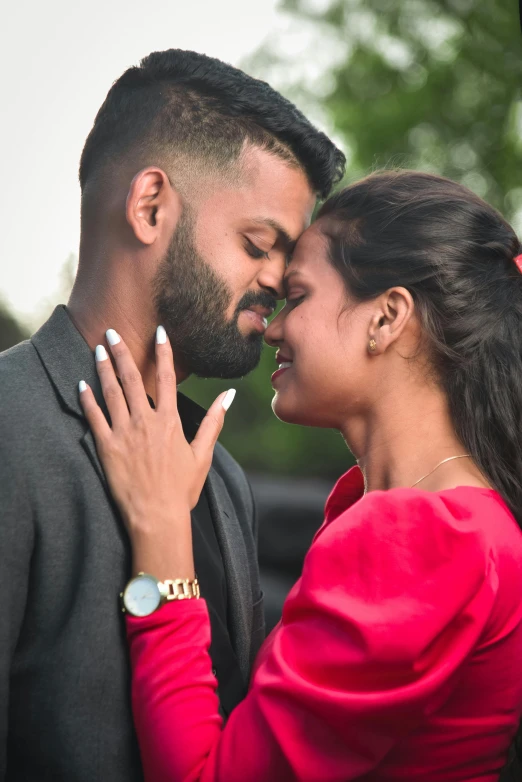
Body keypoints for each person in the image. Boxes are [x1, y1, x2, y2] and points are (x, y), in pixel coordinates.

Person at [82, 170, 522, 781]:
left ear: (387, 317)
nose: (273, 327)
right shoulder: (462, 517)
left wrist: (161, 535)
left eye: (300, 296)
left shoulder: (422, 534)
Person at [0, 49, 344, 781]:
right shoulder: (8, 428)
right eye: (260, 244)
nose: (281, 282)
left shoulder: (221, 477)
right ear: (150, 205)